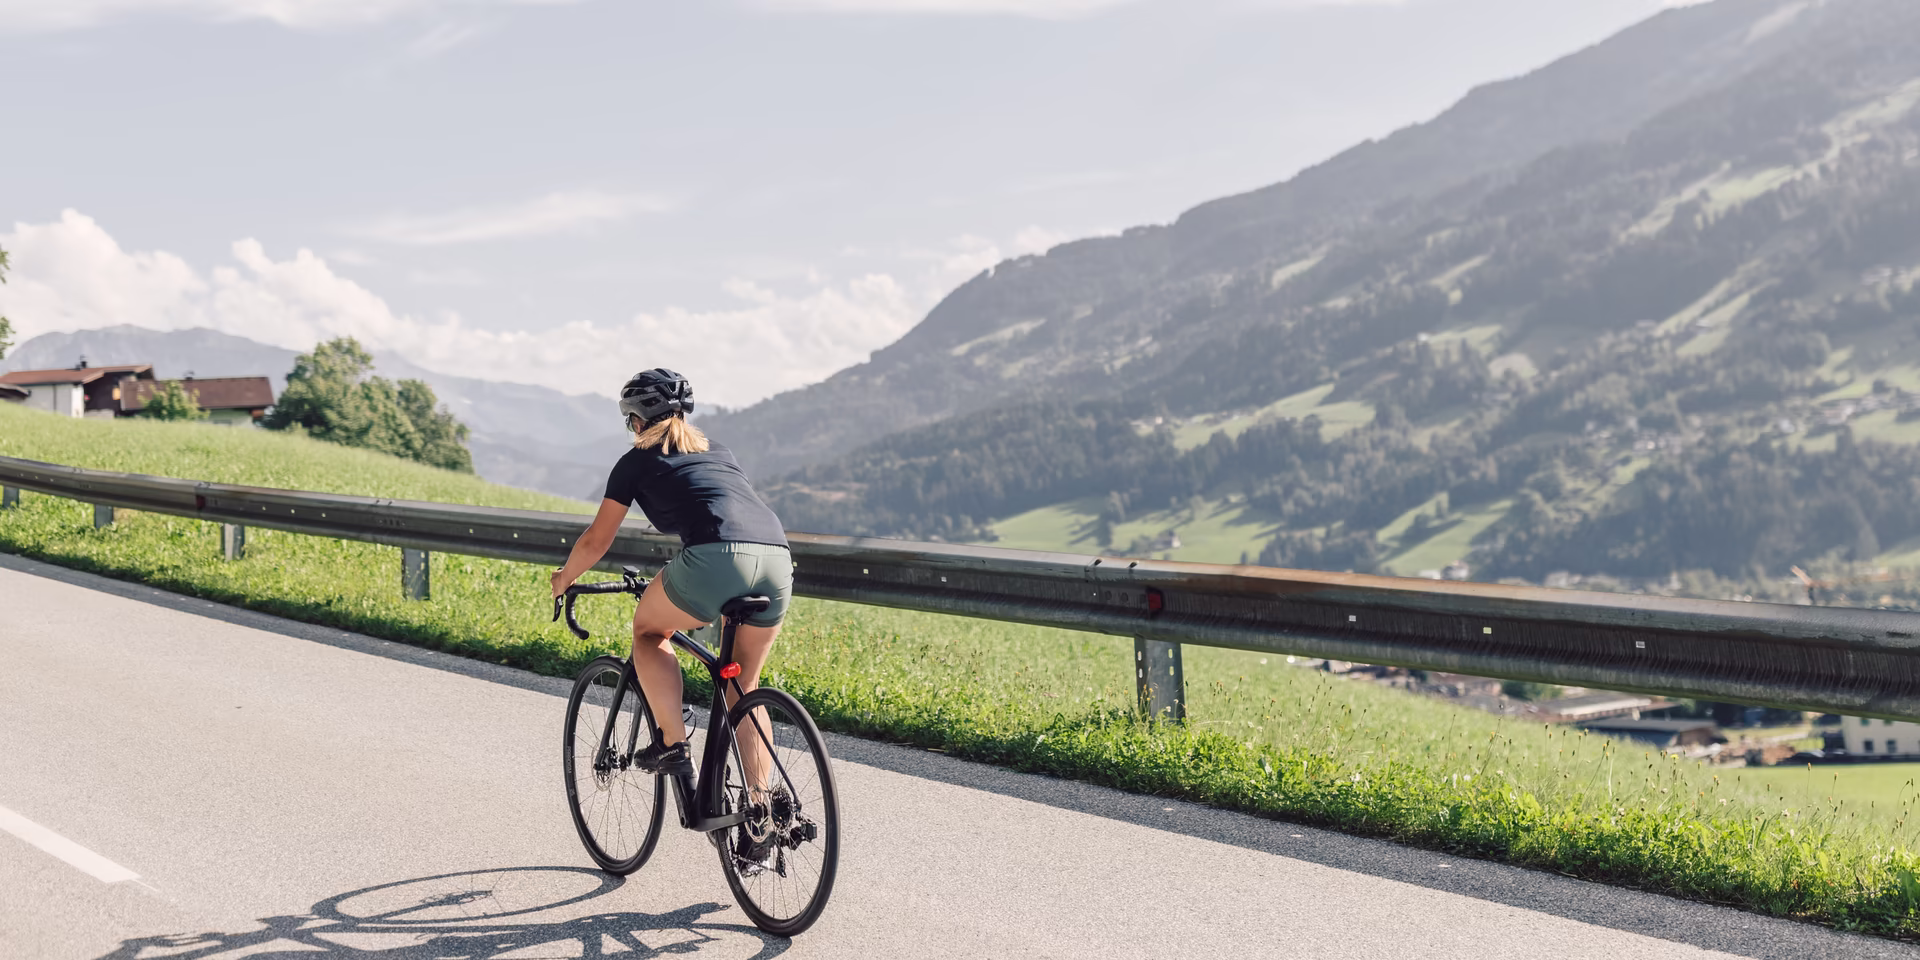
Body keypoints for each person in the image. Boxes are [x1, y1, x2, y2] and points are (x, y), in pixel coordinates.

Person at [549, 368, 792, 851]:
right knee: (743, 684)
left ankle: (673, 744)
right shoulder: (718, 452)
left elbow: (598, 539)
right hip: (777, 559)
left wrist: (564, 578)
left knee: (647, 632)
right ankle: (761, 813)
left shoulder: (635, 461)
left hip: (714, 558)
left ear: (637, 420)